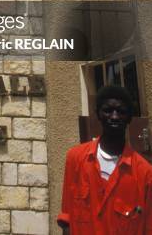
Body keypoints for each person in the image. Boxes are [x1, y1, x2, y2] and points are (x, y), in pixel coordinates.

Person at [57, 85, 152, 234]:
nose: (114, 116)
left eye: (120, 112)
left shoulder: (144, 173)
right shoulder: (75, 158)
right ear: (98, 114)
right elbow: (67, 219)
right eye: (108, 110)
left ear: (129, 118)